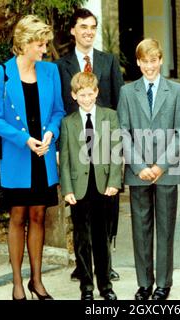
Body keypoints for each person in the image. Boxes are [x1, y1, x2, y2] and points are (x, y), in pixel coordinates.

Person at [0, 15, 65, 300]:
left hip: (43, 156)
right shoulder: (1, 74)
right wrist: (25, 140)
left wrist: (50, 135)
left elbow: (57, 111)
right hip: (17, 157)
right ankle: (18, 284)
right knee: (18, 216)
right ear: (25, 43)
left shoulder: (50, 72)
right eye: (41, 44)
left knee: (39, 214)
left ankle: (37, 281)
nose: (45, 50)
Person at [117, 38, 180, 300]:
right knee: (141, 227)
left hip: (167, 170)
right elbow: (123, 132)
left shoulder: (176, 91)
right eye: (144, 61)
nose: (149, 66)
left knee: (165, 227)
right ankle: (144, 283)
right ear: (138, 62)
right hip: (138, 172)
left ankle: (163, 283)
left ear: (161, 60)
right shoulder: (127, 93)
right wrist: (138, 166)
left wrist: (160, 165)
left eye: (154, 61)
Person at [55, 8, 124, 282]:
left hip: (105, 145)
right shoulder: (61, 66)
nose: (89, 31)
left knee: (107, 209)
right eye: (83, 26)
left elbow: (119, 104)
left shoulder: (109, 62)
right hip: (76, 145)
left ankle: (106, 264)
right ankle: (82, 264)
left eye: (93, 26)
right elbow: (59, 108)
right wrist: (61, 147)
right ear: (73, 30)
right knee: (81, 210)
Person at [59, 72, 122, 300]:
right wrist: (67, 189)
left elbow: (116, 151)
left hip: (104, 185)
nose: (87, 99)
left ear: (97, 92)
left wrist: (115, 181)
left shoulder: (110, 117)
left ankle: (105, 286)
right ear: (74, 96)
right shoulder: (68, 123)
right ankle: (86, 287)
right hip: (79, 188)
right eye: (81, 95)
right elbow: (64, 159)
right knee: (81, 239)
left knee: (101, 237)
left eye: (90, 94)